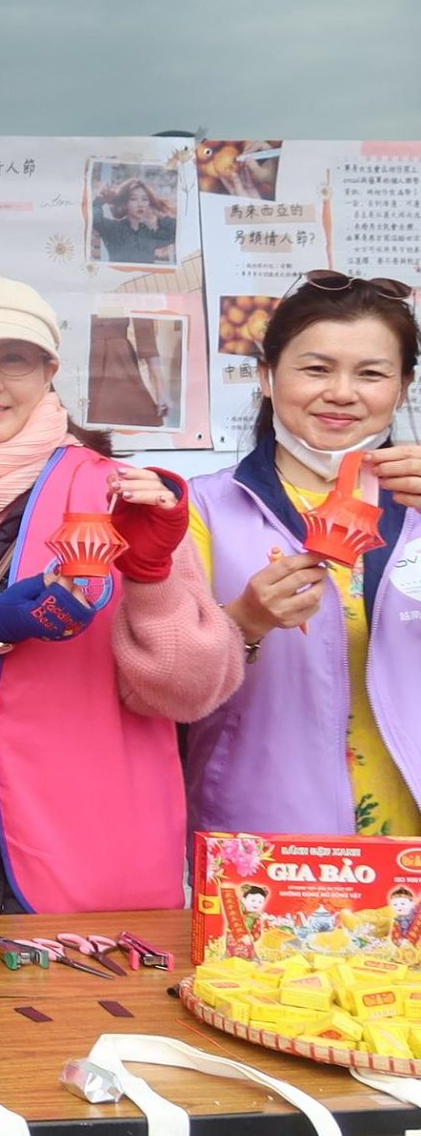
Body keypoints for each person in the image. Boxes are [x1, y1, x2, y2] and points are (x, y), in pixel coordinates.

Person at [0, 276, 237, 914]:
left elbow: (189, 692)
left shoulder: (126, 496)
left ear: (49, 373)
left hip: (94, 851)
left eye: (13, 359)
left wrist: (151, 575)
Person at [188, 271, 421, 837]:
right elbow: (164, 689)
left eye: (371, 374)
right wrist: (244, 623)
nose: (341, 392)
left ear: (403, 387)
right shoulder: (202, 509)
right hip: (264, 837)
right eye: (316, 369)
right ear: (266, 376)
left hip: (407, 836)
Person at [93, 181, 176, 265]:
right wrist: (101, 199)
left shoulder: (151, 235)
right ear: (125, 202)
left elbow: (176, 232)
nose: (140, 204)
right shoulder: (113, 229)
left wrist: (157, 213)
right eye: (133, 199)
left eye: (144, 199)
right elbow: (94, 218)